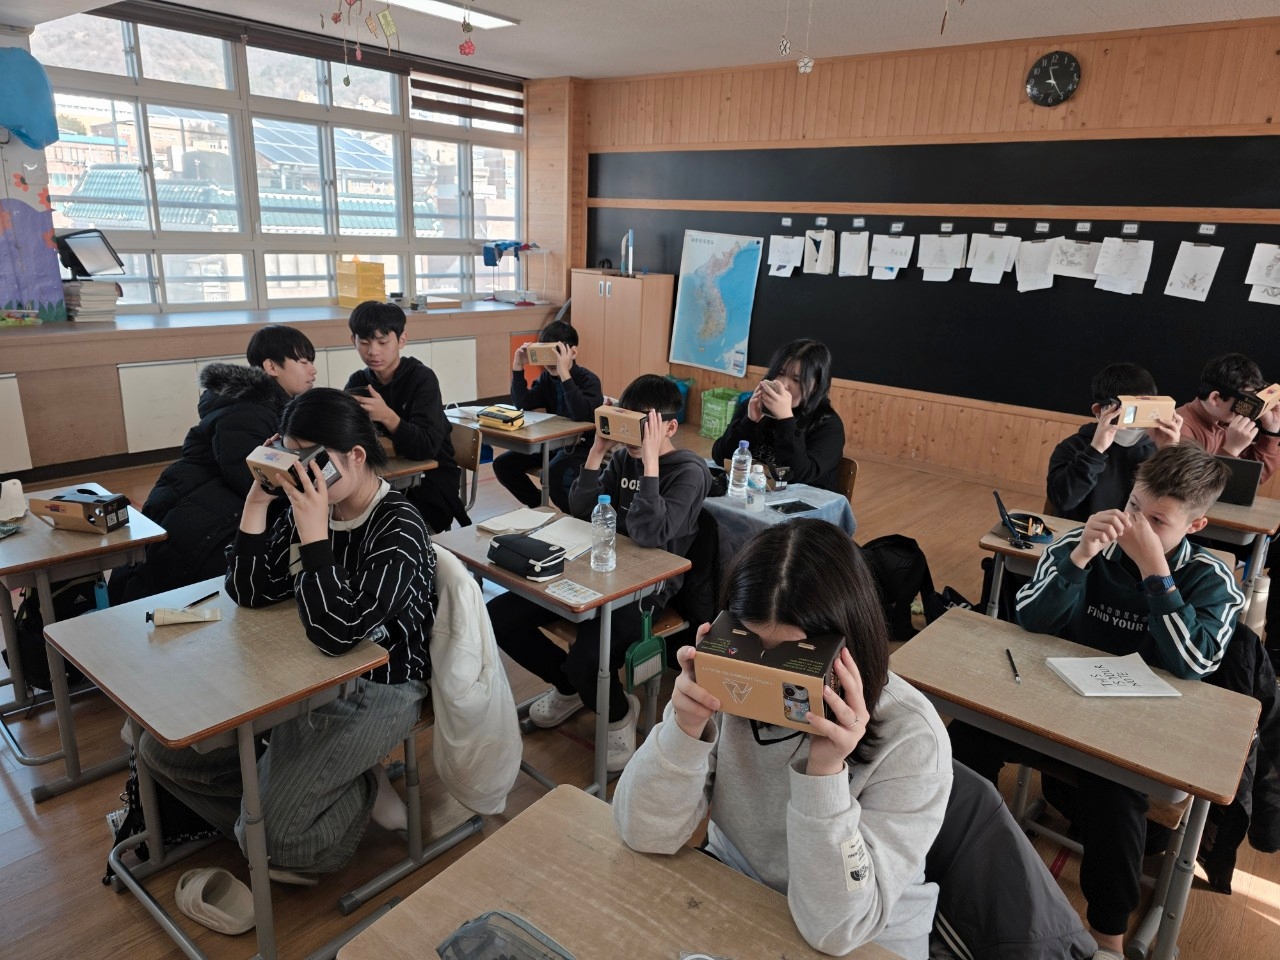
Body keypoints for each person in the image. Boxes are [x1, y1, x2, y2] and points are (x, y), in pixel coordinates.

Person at [950, 443, 1244, 959]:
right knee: (965, 738)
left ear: (1195, 527)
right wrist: (1080, 558)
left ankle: (1108, 937)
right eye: (1133, 506)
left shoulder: (1208, 577)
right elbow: (1030, 619)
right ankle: (953, 862)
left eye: (1157, 520)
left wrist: (1156, 572)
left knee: (1115, 793)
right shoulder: (1081, 542)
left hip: (1132, 728)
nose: (1134, 525)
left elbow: (1193, 663)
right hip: (1052, 704)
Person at [613, 519, 952, 959]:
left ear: (847, 648)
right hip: (741, 889)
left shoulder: (913, 737)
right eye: (752, 653)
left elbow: (836, 928)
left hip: (866, 934)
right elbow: (641, 831)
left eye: (793, 665)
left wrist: (824, 773)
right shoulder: (729, 682)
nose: (766, 686)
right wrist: (684, 729)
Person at [137, 388, 434, 883]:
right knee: (162, 755)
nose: (301, 473)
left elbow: (338, 634)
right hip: (307, 672)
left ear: (356, 457)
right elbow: (249, 591)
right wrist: (256, 503)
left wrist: (314, 535)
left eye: (314, 460)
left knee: (279, 844)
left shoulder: (398, 528)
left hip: (380, 686)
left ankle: (355, 787)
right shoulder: (313, 507)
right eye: (292, 457)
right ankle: (282, 804)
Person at [487, 374, 711, 771]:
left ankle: (617, 714)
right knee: (499, 616)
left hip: (646, 591)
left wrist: (650, 464)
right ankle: (570, 689)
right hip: (595, 571)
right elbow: (581, 510)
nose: (631, 438)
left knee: (587, 660)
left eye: (641, 427)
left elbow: (649, 532)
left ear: (669, 428)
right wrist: (597, 451)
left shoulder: (688, 472)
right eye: (626, 423)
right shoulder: (623, 458)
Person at [107, 324, 316, 605]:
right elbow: (252, 478)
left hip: (191, 497)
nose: (312, 369)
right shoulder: (249, 412)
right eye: (303, 362)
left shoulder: (260, 406)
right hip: (200, 511)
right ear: (271, 366)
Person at [343, 300, 469, 532]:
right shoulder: (358, 382)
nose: (373, 351)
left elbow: (426, 448)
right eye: (364, 342)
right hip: (380, 480)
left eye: (382, 342)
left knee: (384, 528)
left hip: (430, 482)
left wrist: (387, 416)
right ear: (354, 341)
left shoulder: (422, 379)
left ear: (401, 340)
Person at [1046, 362, 1182, 522]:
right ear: (1099, 411)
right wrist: (1095, 451)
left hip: (1132, 534)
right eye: (1127, 412)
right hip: (1081, 532)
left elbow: (1175, 507)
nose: (1133, 424)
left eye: (1141, 411)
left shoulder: (1154, 452)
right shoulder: (1073, 447)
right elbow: (1063, 500)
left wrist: (1170, 455)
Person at [493, 318, 602, 511]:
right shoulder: (546, 379)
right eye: (545, 353)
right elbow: (523, 403)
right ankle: (540, 506)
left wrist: (564, 374)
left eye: (556, 353)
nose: (550, 361)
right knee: (503, 464)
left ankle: (576, 516)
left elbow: (581, 414)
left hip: (580, 446)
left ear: (573, 352)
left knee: (552, 474)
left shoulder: (588, 380)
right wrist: (518, 367)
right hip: (552, 444)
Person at [710, 339, 845, 491]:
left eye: (796, 380)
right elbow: (721, 457)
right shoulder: (756, 405)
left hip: (804, 501)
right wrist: (750, 421)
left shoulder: (828, 425)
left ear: (815, 387)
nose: (784, 385)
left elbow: (798, 476)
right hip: (753, 493)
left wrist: (785, 420)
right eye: (780, 373)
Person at [1177, 352, 1280, 482]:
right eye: (1243, 402)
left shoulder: (1225, 421)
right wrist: (1231, 450)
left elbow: (1252, 480)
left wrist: (1270, 431)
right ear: (1215, 398)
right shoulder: (1179, 427)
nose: (1247, 411)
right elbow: (1191, 487)